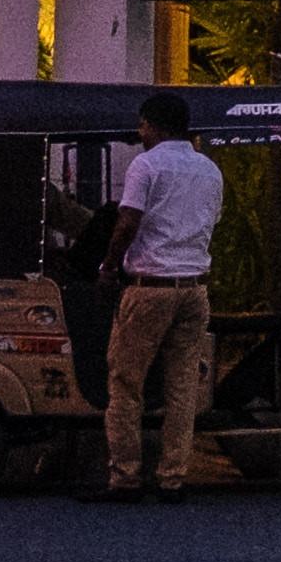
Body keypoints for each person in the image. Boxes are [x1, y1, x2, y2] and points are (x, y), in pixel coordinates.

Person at [97, 91, 225, 503]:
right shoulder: (209, 170)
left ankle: (126, 477)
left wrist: (109, 266)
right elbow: (211, 222)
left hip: (150, 288)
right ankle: (172, 478)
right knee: (182, 387)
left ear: (153, 124)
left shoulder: (146, 165)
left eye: (142, 125)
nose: (140, 132)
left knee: (126, 383)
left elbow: (127, 221)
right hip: (194, 289)